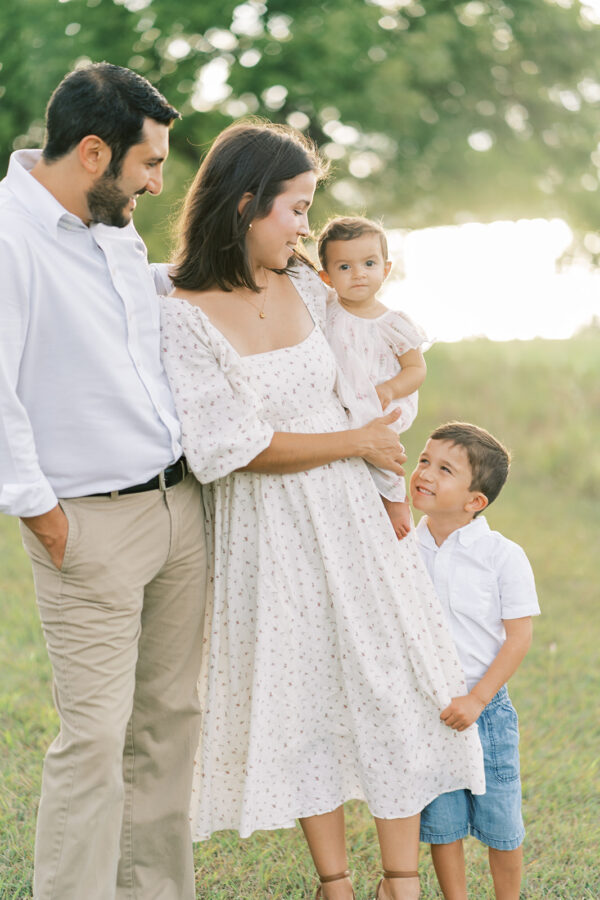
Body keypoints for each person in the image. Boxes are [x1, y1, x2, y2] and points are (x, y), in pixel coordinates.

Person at [160, 120, 485, 900]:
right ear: (244, 204)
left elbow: (369, 380)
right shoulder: (180, 310)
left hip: (350, 517)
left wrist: (385, 484)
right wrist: (354, 443)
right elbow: (227, 447)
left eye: (311, 209)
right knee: (301, 692)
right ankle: (335, 883)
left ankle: (399, 879)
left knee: (391, 681)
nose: (308, 228)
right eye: (296, 209)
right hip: (264, 533)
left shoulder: (309, 284)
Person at [0, 63, 207, 900]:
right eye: (148, 164)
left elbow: (136, 317)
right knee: (94, 739)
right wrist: (45, 516)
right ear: (94, 152)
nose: (156, 183)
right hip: (86, 524)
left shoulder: (110, 226)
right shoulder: (8, 238)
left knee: (168, 726)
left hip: (178, 507)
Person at [409, 422, 540, 900]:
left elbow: (519, 638)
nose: (424, 473)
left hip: (485, 710)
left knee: (501, 821)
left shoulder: (501, 556)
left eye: (444, 469)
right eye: (424, 460)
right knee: (442, 824)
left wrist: (479, 699)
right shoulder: (404, 546)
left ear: (474, 501)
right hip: (432, 711)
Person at [318, 216, 428, 541]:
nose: (359, 274)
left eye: (368, 263)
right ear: (326, 277)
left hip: (381, 401)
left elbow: (416, 369)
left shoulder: (393, 323)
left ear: (386, 268)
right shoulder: (327, 312)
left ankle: (395, 500)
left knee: (382, 446)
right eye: (345, 267)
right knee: (348, 457)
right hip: (339, 400)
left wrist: (391, 388)